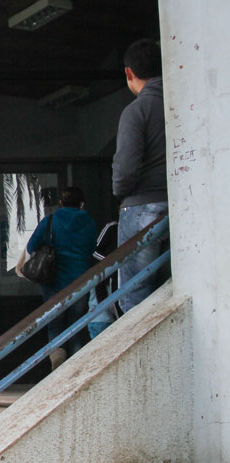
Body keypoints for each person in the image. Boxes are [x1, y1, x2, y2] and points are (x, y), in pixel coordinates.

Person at [113, 38, 167, 313]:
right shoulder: (178, 106)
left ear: (129, 73)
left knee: (133, 297)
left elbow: (125, 171)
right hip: (177, 205)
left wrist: (119, 191)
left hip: (142, 208)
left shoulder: (136, 111)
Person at [27, 187, 98, 370]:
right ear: (81, 203)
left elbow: (31, 246)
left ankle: (57, 358)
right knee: (76, 326)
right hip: (81, 280)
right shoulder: (89, 222)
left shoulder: (50, 220)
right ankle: (74, 369)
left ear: (61, 203)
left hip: (54, 281)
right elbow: (92, 249)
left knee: (55, 326)